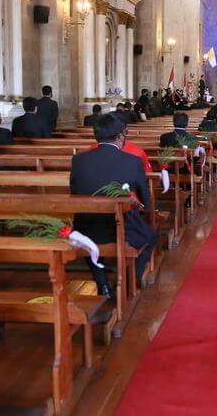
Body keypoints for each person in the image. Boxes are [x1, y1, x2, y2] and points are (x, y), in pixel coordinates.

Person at [70, 114, 157, 298]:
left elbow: (75, 191)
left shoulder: (78, 160)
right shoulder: (132, 162)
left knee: (86, 237)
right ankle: (128, 281)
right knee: (151, 236)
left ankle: (102, 283)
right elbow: (144, 200)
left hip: (87, 225)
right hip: (122, 227)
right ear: (120, 136)